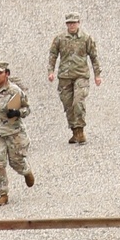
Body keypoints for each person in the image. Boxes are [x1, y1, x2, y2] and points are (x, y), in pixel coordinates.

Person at [0, 62, 33, 207]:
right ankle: (3, 194)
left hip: (13, 131)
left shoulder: (15, 91)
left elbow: (27, 109)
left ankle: (26, 171)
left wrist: (18, 112)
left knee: (16, 161)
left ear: (6, 74)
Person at [48, 12, 102, 144]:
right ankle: (74, 131)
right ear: (66, 24)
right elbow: (53, 55)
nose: (72, 25)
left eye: (74, 22)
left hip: (81, 75)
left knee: (78, 101)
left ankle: (80, 131)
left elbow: (94, 56)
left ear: (79, 23)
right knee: (68, 105)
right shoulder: (60, 39)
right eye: (69, 23)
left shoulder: (86, 38)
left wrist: (97, 74)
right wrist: (51, 71)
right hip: (65, 77)